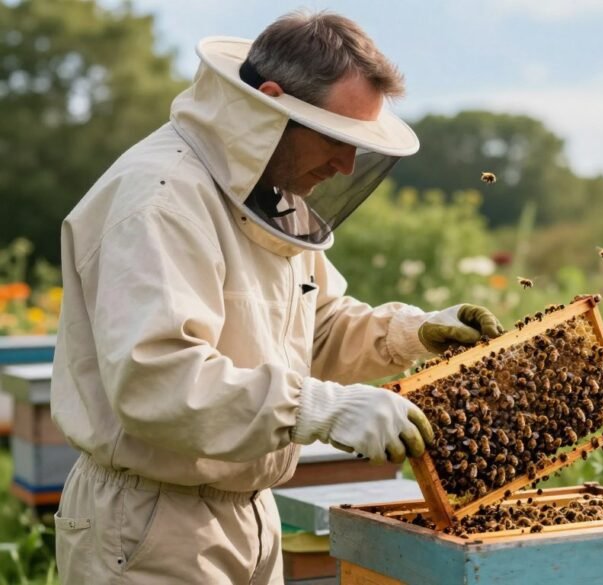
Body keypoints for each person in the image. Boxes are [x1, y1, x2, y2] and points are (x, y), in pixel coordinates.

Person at [50, 10, 502, 584]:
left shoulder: (270, 197)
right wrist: (321, 408)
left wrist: (413, 332)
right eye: (338, 139)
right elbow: (156, 380)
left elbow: (316, 327)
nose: (345, 164)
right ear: (270, 105)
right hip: (149, 524)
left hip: (249, 512)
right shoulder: (161, 199)